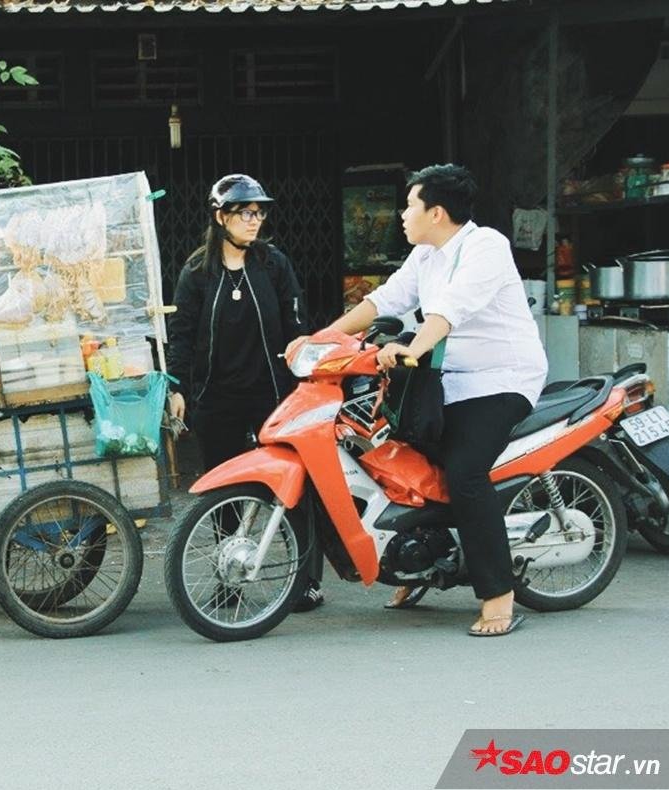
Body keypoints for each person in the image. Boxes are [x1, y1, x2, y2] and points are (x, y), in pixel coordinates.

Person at [317, 163, 547, 636]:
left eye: (409, 205)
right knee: (400, 461)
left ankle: (498, 595)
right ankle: (427, 567)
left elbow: (450, 308)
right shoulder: (425, 256)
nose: (402, 215)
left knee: (464, 473)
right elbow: (384, 300)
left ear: (437, 212)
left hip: (501, 380)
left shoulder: (485, 247)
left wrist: (413, 348)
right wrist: (319, 341)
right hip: (450, 381)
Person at [165, 173, 323, 612]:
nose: (255, 220)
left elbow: (297, 325)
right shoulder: (197, 271)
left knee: (293, 489)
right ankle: (229, 579)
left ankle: (306, 581)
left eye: (259, 212)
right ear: (221, 217)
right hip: (218, 400)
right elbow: (181, 335)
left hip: (273, 395)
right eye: (245, 213)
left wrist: (306, 379)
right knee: (223, 498)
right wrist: (177, 386)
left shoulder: (273, 264)